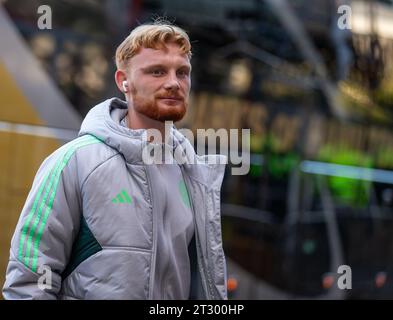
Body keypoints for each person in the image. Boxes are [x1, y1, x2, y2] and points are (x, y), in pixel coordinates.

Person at [2, 20, 227, 300]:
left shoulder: (194, 172)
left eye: (182, 72)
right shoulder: (75, 161)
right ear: (124, 81)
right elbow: (28, 283)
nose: (173, 82)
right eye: (157, 71)